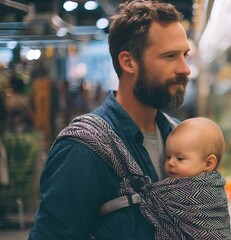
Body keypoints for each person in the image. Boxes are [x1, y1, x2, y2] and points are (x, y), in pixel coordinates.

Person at [29, 1, 191, 239]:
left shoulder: (177, 134)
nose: (185, 69)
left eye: (184, 55)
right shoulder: (83, 149)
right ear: (128, 62)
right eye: (170, 56)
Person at [132, 117, 231, 239]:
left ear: (208, 163)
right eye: (168, 156)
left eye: (180, 158)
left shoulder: (210, 190)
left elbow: (151, 198)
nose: (171, 163)